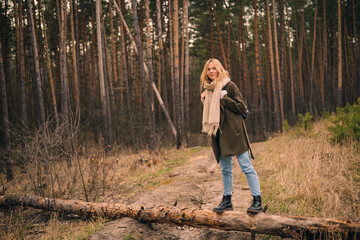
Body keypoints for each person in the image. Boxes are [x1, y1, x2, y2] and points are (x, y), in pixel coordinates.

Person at [200, 58, 262, 214]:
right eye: (209, 69)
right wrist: (205, 100)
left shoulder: (229, 86)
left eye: (214, 68)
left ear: (219, 69)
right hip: (219, 134)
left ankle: (257, 201)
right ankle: (227, 201)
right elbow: (213, 113)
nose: (211, 71)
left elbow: (242, 108)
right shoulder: (208, 89)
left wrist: (224, 98)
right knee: (225, 170)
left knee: (246, 167)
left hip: (235, 133)